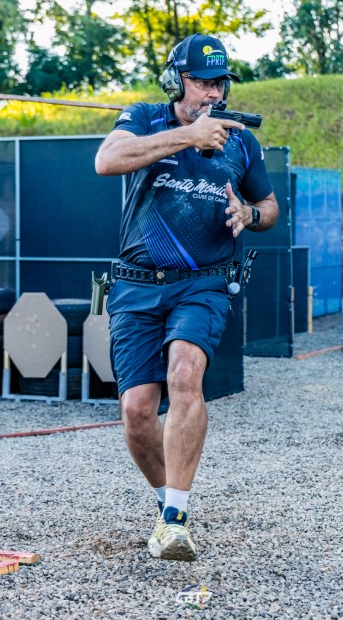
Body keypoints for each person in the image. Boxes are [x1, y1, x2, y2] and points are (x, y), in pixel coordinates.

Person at [95, 33, 278, 562]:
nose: (213, 93)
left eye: (220, 83)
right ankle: (166, 506)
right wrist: (187, 136)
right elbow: (107, 160)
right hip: (136, 282)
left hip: (204, 281)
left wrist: (250, 215)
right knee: (136, 410)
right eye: (202, 82)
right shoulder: (144, 118)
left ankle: (176, 517)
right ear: (176, 81)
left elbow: (269, 207)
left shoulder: (241, 141)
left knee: (184, 375)